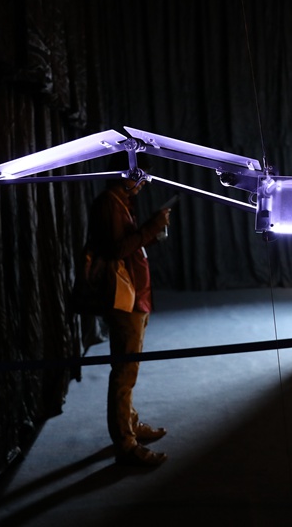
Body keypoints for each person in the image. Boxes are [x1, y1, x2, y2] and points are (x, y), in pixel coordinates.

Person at [87, 154, 171, 467]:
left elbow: (127, 244)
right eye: (141, 177)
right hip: (124, 300)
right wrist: (152, 227)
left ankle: (131, 424)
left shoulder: (120, 201)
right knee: (124, 373)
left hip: (135, 298)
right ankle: (125, 443)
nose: (144, 183)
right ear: (128, 174)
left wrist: (151, 231)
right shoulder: (109, 203)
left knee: (129, 370)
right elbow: (116, 249)